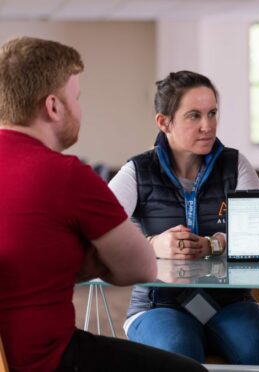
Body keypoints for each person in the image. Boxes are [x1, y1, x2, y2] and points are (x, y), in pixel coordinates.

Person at [0, 37, 205, 372]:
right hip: (45, 361)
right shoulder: (67, 175)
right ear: (53, 107)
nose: (79, 109)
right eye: (76, 99)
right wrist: (84, 259)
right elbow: (140, 268)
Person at [108, 70, 259, 365]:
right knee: (179, 353)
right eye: (194, 116)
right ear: (164, 122)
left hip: (229, 302)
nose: (207, 126)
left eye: (212, 113)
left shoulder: (236, 165)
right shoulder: (137, 171)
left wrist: (216, 244)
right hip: (157, 304)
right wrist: (152, 245)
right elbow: (101, 232)